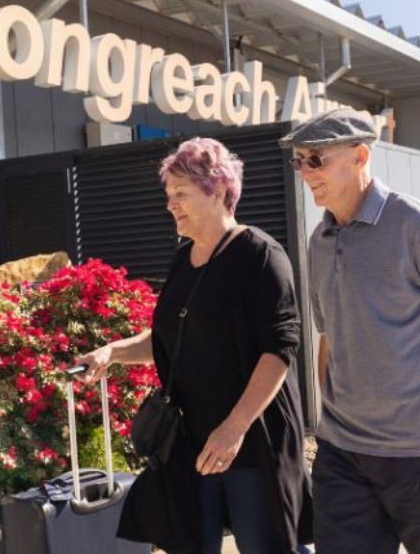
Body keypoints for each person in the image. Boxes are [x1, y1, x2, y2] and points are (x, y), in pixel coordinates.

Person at [279, 109, 420, 554]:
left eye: (316, 159)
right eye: (299, 161)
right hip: (343, 457)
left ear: (360, 156)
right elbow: (330, 338)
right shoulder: (319, 242)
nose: (305, 172)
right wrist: (334, 411)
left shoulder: (414, 224)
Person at [76, 137, 312, 554]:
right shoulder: (183, 259)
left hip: (251, 440)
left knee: (267, 546)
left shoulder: (260, 255)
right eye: (169, 194)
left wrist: (233, 429)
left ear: (219, 190)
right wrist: (113, 351)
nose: (171, 204)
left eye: (181, 193)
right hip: (191, 441)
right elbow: (171, 336)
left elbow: (279, 350)